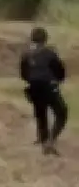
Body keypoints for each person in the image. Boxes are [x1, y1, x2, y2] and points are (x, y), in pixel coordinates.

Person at [21, 27, 67, 155]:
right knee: (61, 112)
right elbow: (59, 70)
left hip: (33, 87)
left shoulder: (26, 54)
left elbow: (24, 74)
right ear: (45, 39)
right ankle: (50, 142)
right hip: (48, 85)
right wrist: (58, 80)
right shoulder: (50, 53)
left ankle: (43, 139)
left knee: (41, 113)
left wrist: (32, 80)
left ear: (32, 39)